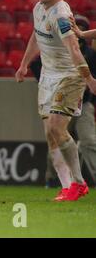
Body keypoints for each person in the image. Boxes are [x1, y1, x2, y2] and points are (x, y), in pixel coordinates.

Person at [15, 0, 96, 201]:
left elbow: (73, 48)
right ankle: (66, 186)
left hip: (69, 76)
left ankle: (79, 184)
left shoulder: (61, 15)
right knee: (50, 134)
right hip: (47, 77)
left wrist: (88, 79)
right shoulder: (39, 8)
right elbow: (36, 35)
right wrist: (23, 64)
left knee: (56, 129)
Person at [31, 14, 96, 187]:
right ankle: (55, 179)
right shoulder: (59, 48)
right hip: (60, 98)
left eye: (82, 29)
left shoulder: (90, 53)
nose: (78, 31)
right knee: (54, 133)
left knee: (88, 141)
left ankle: (82, 180)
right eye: (77, 28)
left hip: (85, 103)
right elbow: (36, 63)